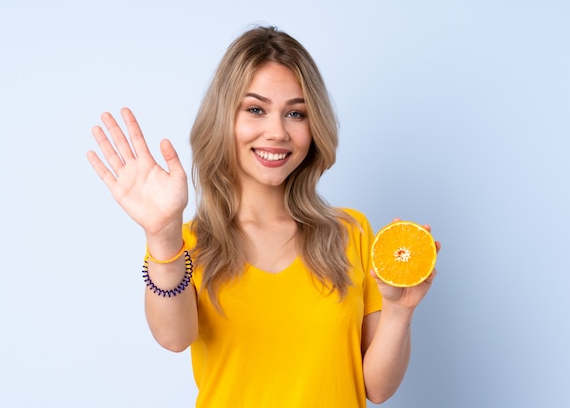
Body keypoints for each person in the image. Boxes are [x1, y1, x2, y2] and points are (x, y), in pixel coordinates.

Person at [87, 25, 439, 408]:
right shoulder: (182, 244)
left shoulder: (350, 232)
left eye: (295, 113)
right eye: (256, 109)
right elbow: (174, 338)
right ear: (224, 119)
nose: (277, 131)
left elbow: (377, 388)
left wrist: (399, 311)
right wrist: (161, 233)